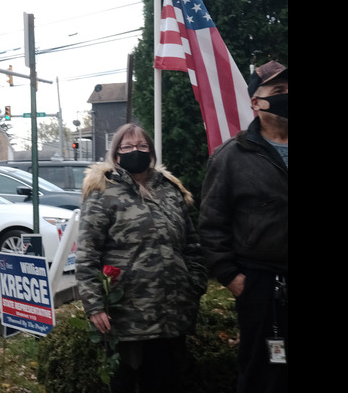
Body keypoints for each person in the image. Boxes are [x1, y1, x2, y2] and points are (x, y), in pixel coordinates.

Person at [77, 123, 208, 393]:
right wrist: (94, 306)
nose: (135, 151)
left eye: (142, 146)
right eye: (127, 147)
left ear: (151, 152)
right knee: (124, 384)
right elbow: (87, 254)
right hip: (127, 316)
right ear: (116, 155)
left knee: (164, 382)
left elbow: (192, 245)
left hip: (171, 312)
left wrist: (194, 285)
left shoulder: (171, 191)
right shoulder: (103, 193)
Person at [199, 61, 288, 393]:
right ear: (255, 102)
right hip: (262, 286)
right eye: (278, 92)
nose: (286, 96)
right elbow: (211, 225)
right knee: (262, 373)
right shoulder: (231, 157)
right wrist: (233, 279)